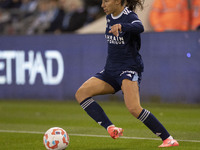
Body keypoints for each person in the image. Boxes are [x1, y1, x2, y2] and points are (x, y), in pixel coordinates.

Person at [75, 0, 179, 148]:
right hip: (110, 71)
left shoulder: (129, 16)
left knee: (134, 108)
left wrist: (122, 26)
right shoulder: (110, 17)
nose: (102, 5)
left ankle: (168, 139)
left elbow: (140, 27)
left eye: (106, 1)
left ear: (117, 1)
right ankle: (111, 128)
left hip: (128, 69)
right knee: (81, 93)